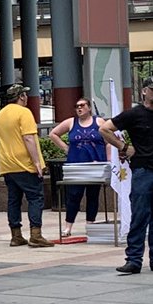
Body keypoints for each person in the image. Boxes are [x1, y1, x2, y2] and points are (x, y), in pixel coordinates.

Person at [99, 75, 153, 274]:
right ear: (144, 91)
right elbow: (104, 129)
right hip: (142, 172)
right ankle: (134, 259)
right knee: (140, 216)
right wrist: (124, 146)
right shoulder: (133, 114)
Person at [0, 83, 54, 247]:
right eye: (25, 95)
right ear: (21, 96)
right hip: (24, 164)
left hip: (8, 165)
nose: (26, 97)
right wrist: (36, 162)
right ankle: (36, 234)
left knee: (14, 200)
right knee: (35, 197)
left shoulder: (0, 115)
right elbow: (28, 138)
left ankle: (16, 235)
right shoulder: (24, 112)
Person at [49, 96, 109, 238]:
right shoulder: (71, 122)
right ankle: (68, 226)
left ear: (89, 107)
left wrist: (108, 160)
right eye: (77, 106)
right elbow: (53, 134)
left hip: (95, 166)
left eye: (82, 105)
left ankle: (90, 224)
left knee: (93, 196)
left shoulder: (99, 122)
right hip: (76, 166)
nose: (79, 108)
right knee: (74, 195)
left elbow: (109, 141)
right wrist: (65, 148)